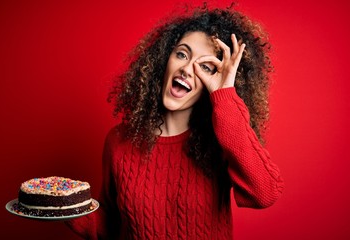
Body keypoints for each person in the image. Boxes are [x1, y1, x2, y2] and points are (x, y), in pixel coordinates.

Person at [67, 3, 284, 239]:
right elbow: (110, 225)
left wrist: (225, 96)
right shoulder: (118, 142)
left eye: (206, 66)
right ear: (164, 59)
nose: (187, 69)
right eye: (182, 54)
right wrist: (65, 210)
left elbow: (265, 193)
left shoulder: (221, 142)